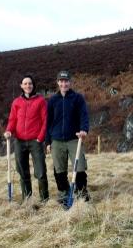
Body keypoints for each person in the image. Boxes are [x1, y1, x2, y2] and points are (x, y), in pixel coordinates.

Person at [46, 70, 90, 206]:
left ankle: (82, 193)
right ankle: (64, 193)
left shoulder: (78, 98)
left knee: (80, 167)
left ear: (70, 82)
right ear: (58, 82)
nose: (64, 83)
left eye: (66, 81)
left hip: (74, 139)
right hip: (56, 140)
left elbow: (84, 116)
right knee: (59, 170)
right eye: (61, 81)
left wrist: (83, 130)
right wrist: (48, 141)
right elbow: (47, 122)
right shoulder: (53, 100)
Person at [4, 75, 49, 202]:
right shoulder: (16, 102)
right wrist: (8, 131)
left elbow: (45, 121)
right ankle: (27, 200)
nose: (28, 86)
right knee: (23, 172)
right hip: (19, 141)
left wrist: (40, 138)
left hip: (36, 141)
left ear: (33, 85)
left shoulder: (40, 101)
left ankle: (44, 200)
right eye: (25, 84)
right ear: (21, 86)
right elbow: (12, 120)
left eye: (30, 83)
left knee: (40, 172)